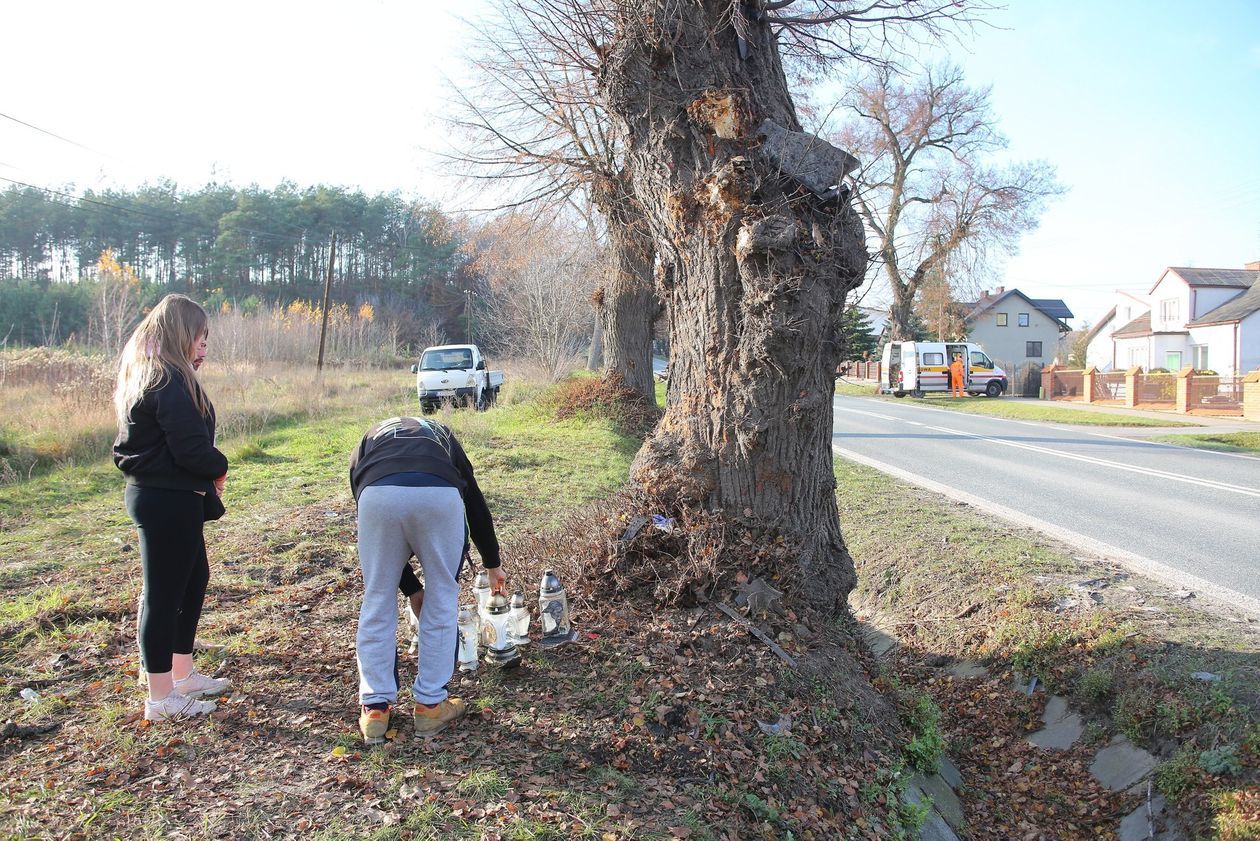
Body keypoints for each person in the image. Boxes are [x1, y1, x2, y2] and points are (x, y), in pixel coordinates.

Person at [349, 416, 505, 743]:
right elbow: (474, 501)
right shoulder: (442, 434)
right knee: (443, 596)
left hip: (376, 494)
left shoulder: (368, 439)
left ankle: (374, 710)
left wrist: (408, 589)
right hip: (439, 493)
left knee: (376, 595)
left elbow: (373, 508)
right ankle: (430, 705)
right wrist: (493, 564)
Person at [113, 294, 231, 722]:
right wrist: (219, 466)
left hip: (173, 496)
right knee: (163, 595)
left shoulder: (160, 374)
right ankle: (160, 697)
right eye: (200, 337)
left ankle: (183, 674)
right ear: (181, 334)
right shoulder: (165, 379)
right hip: (165, 498)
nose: (204, 346)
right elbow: (191, 449)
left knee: (193, 579)